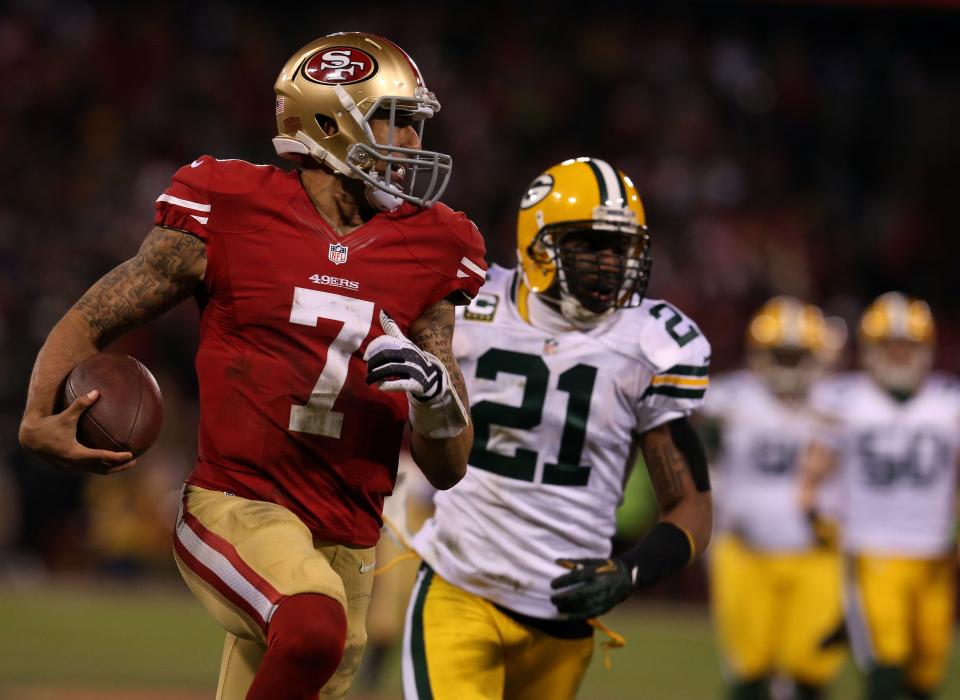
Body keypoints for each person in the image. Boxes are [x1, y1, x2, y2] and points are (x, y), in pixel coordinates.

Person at [18, 31, 487, 700]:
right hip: (236, 505)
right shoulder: (232, 206)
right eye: (395, 120)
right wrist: (38, 412)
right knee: (310, 627)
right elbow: (97, 316)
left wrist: (440, 403)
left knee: (316, 637)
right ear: (327, 122)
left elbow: (449, 468)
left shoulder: (436, 243)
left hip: (350, 538)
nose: (411, 143)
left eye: (414, 124)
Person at [402, 157, 714, 700]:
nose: (611, 263)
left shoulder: (649, 342)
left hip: (565, 612)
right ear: (538, 243)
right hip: (460, 586)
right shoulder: (469, 302)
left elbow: (691, 506)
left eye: (623, 247)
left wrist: (629, 572)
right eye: (592, 244)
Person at [799, 292, 958, 700]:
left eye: (908, 346)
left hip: (934, 553)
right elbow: (815, 472)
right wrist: (817, 515)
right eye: (891, 345)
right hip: (871, 550)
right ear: (872, 349)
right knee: (887, 660)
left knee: (928, 667)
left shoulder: (948, 400)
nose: (900, 355)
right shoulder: (844, 399)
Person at [702, 297, 846, 700]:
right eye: (780, 355)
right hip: (745, 547)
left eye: (797, 355)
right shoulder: (730, 399)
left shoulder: (841, 403)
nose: (788, 366)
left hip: (816, 549)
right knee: (749, 671)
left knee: (810, 670)